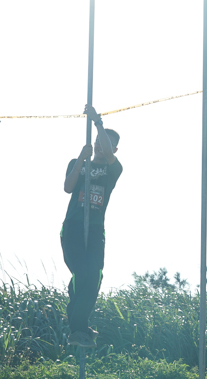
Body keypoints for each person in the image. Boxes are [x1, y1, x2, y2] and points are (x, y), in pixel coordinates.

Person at [60, 104, 123, 348]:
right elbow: (67, 187)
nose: (99, 144)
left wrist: (98, 122)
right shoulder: (78, 161)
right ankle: (78, 329)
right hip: (74, 226)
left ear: (113, 148)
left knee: (95, 274)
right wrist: (81, 160)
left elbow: (106, 150)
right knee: (82, 272)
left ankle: (79, 329)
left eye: (105, 142)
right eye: (98, 140)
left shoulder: (112, 169)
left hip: (96, 228)